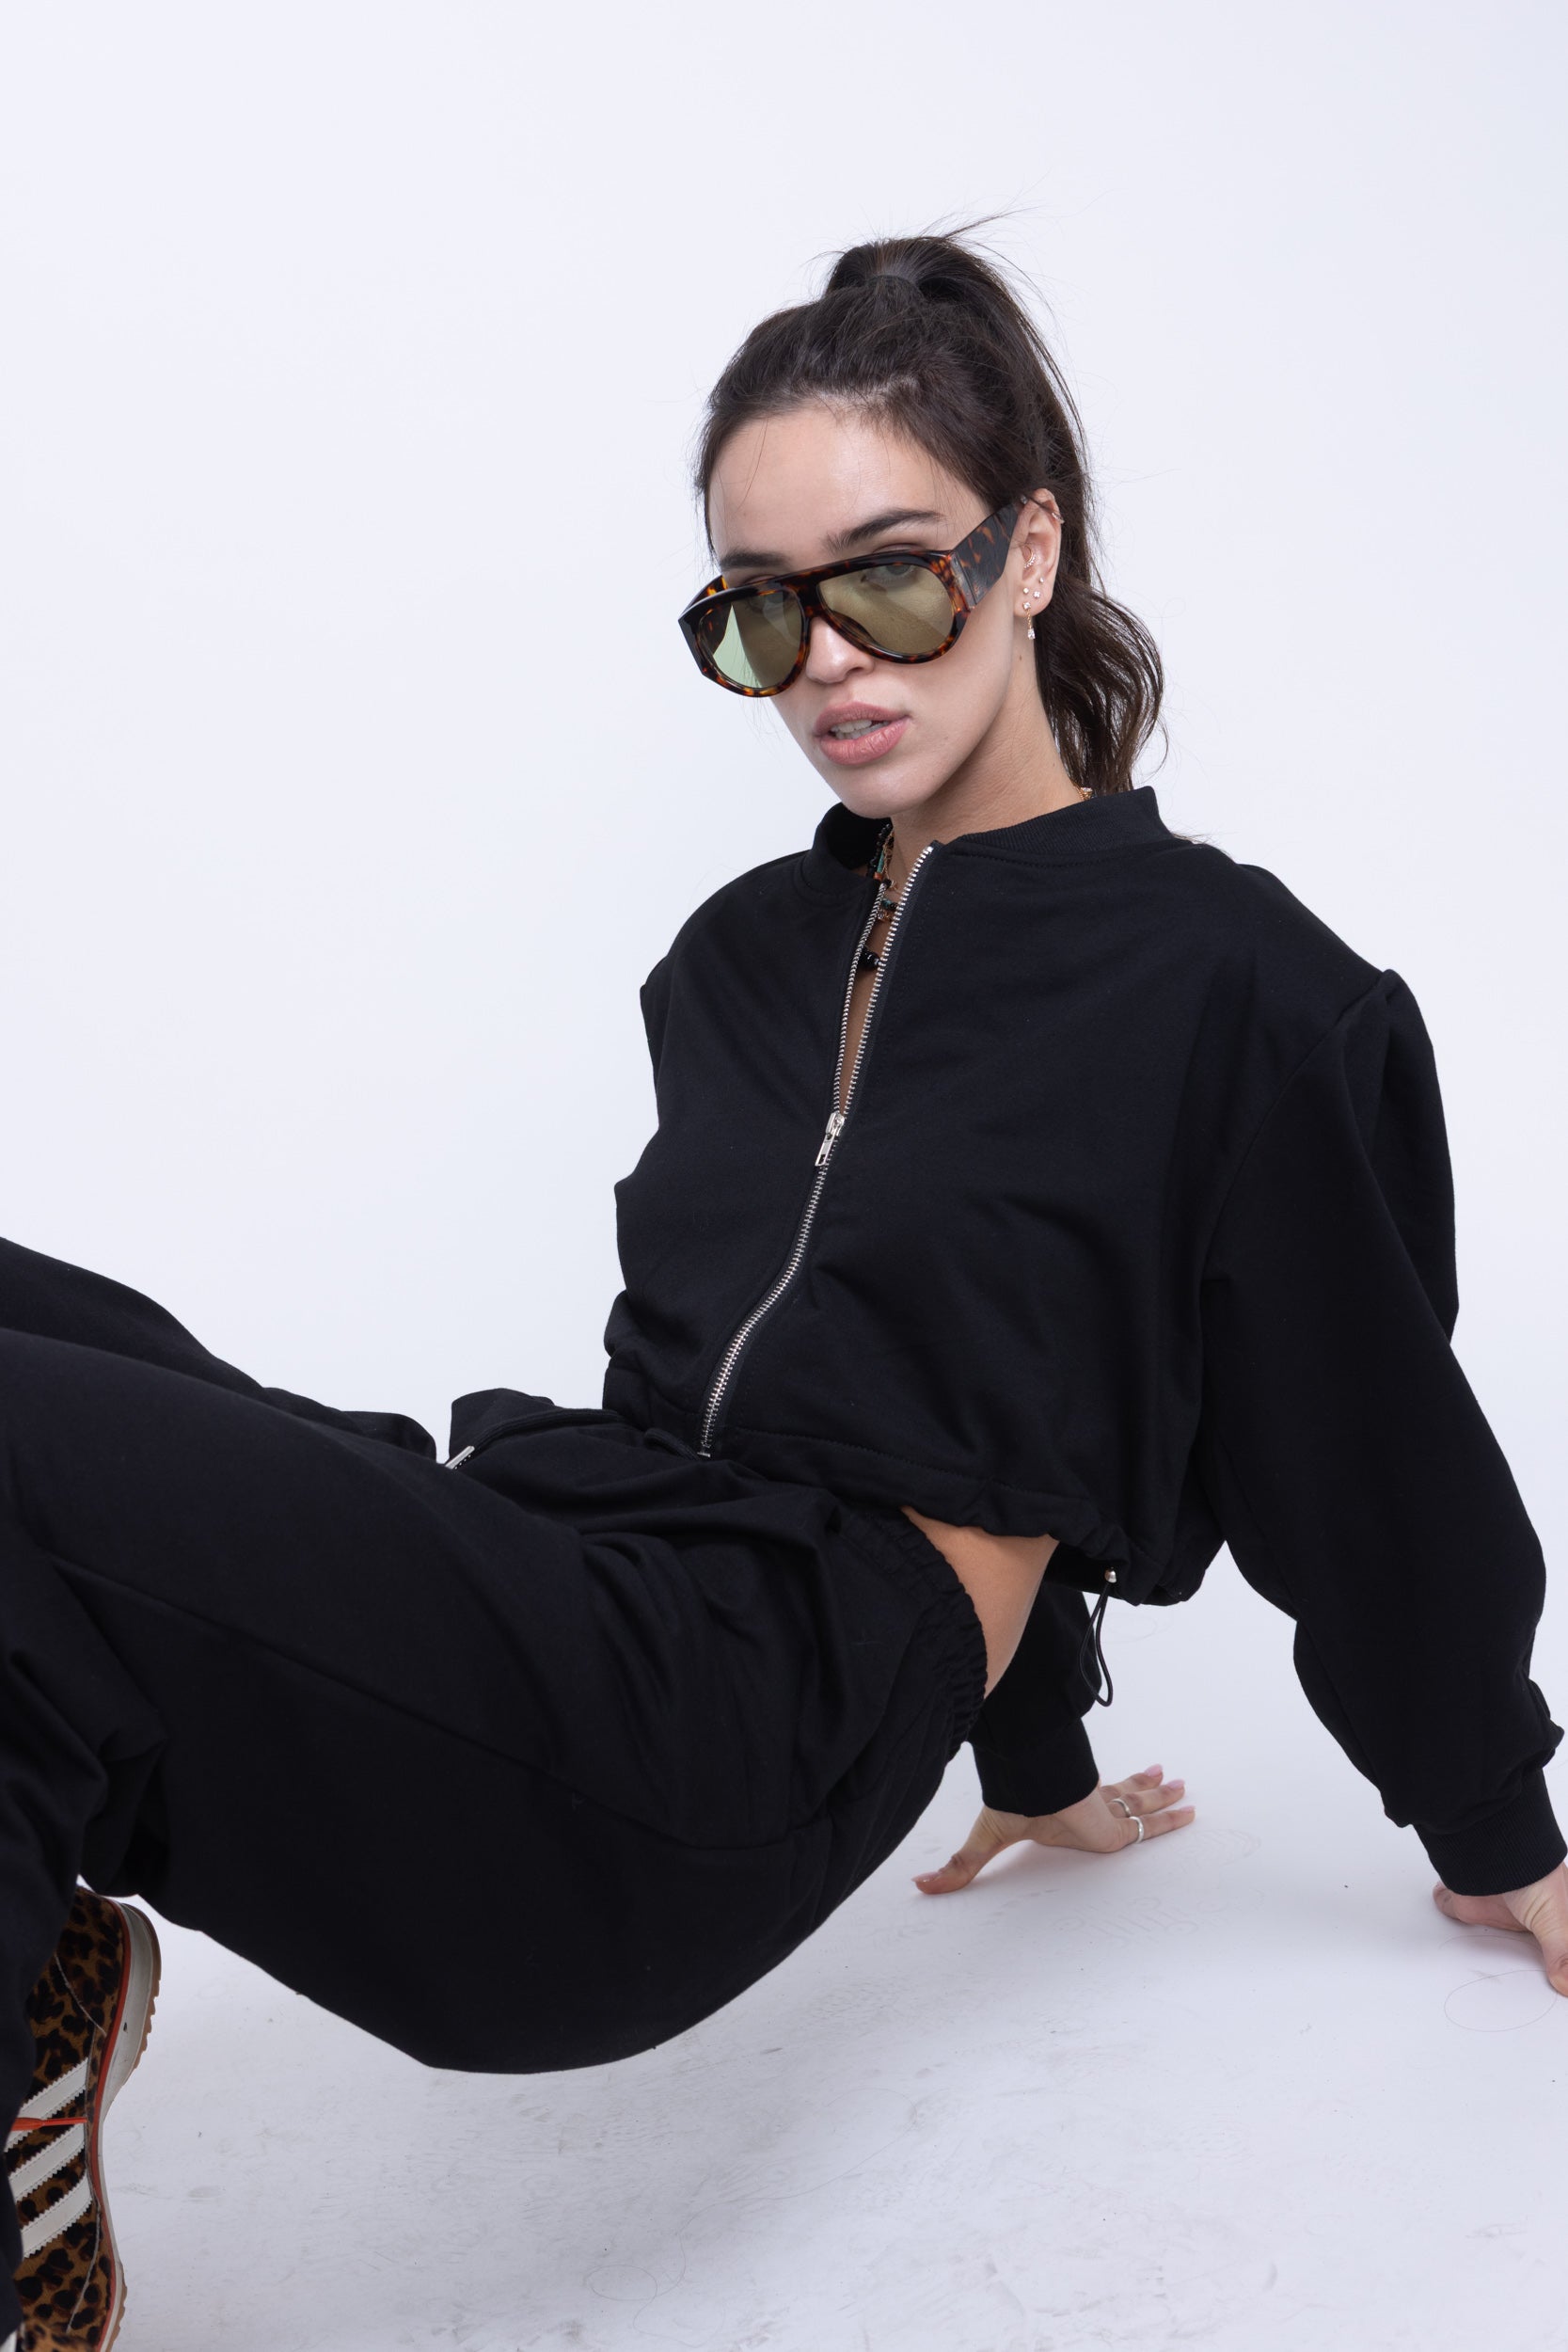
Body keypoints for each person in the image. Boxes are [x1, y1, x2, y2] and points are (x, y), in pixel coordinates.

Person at [3, 225, 1562, 2351]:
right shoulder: (737, 960)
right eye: (760, 606)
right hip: (582, 1564)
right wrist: (1037, 1763)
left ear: (1030, 551)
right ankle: (34, 2025)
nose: (828, 659)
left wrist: (1497, 1822)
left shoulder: (1239, 991)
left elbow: (1356, 1449)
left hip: (719, 1743)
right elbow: (949, 1352)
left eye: (890, 578)